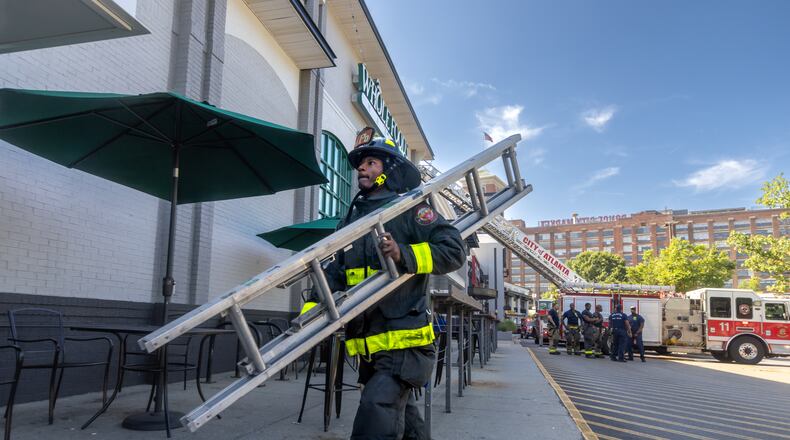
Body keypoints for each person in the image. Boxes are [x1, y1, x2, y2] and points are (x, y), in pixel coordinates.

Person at [302, 133, 466, 439]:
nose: (361, 169)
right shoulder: (351, 222)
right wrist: (309, 315)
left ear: (388, 171)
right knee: (400, 417)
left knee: (377, 412)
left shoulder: (409, 211)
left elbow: (454, 251)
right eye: (361, 164)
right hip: (369, 348)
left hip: (405, 346)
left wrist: (403, 254)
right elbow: (335, 272)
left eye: (371, 162)